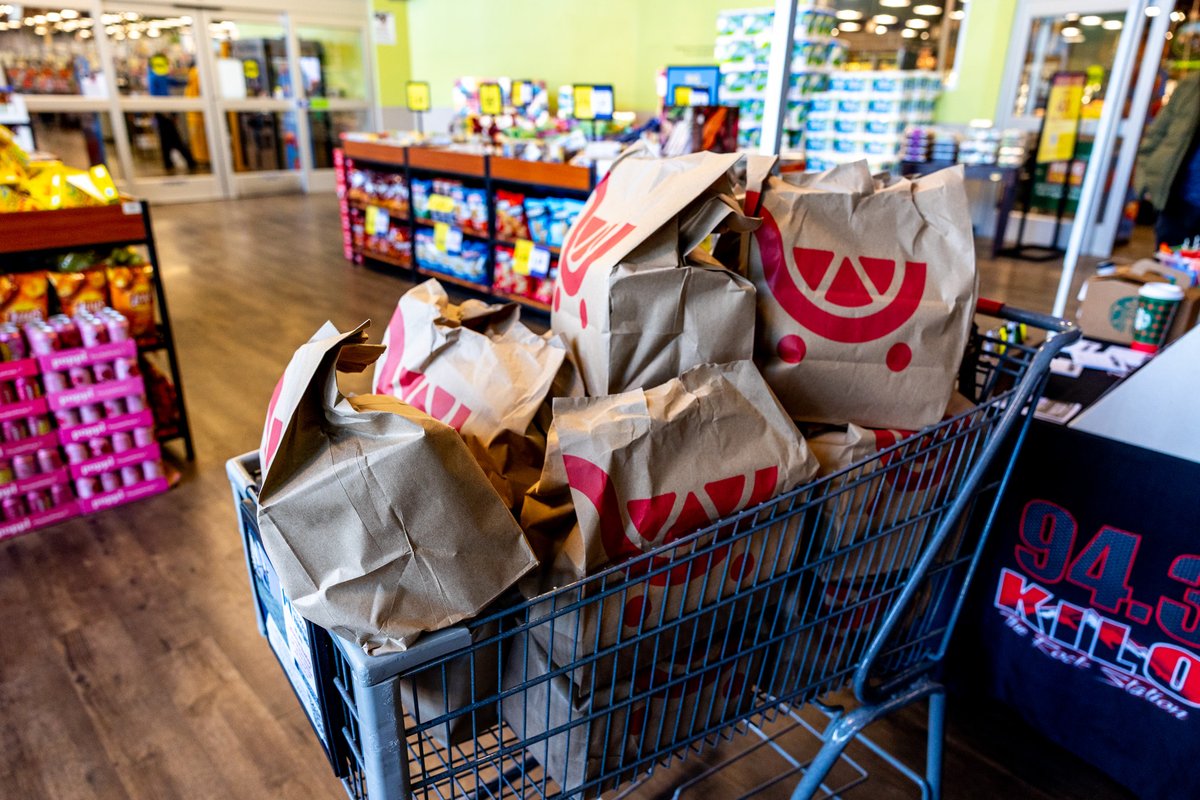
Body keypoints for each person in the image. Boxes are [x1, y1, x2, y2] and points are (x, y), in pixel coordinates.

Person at [1137, 71, 1200, 247]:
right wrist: (1146, 182)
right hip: (1177, 201)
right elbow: (1155, 136)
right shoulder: (1191, 84)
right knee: (1167, 268)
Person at [147, 53, 197, 173]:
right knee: (174, 138)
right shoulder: (155, 77)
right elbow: (158, 94)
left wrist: (187, 81)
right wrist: (167, 112)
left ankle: (168, 163)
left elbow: (172, 82)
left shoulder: (158, 75)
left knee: (166, 139)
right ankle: (189, 161)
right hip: (164, 111)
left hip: (165, 110)